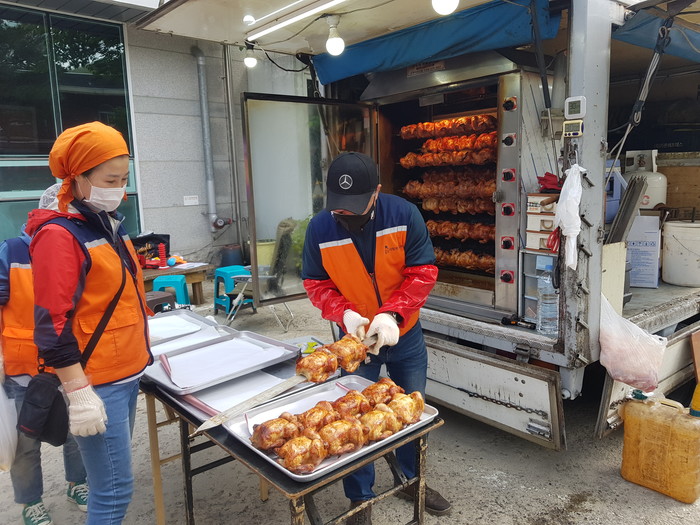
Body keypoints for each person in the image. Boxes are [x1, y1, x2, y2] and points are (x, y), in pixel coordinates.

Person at [301, 152, 451, 524]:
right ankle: (360, 499)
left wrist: (393, 314)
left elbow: (423, 271)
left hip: (404, 335)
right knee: (350, 419)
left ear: (377, 192)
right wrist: (345, 314)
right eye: (340, 208)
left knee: (410, 412)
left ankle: (411, 481)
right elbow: (316, 284)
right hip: (355, 341)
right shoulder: (320, 228)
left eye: (356, 207)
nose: (347, 215)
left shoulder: (404, 215)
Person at [25, 122, 153, 525]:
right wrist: (78, 392)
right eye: (110, 180)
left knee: (112, 484)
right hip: (98, 382)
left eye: (125, 179)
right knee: (113, 491)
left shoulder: (104, 220)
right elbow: (51, 323)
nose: (120, 189)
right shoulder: (58, 235)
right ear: (77, 178)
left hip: (124, 373)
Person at [1, 184, 89, 525]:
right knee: (25, 440)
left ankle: (78, 483)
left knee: (77, 430)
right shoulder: (12, 251)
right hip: (23, 367)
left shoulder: (74, 249)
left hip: (69, 364)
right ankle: (30, 502)